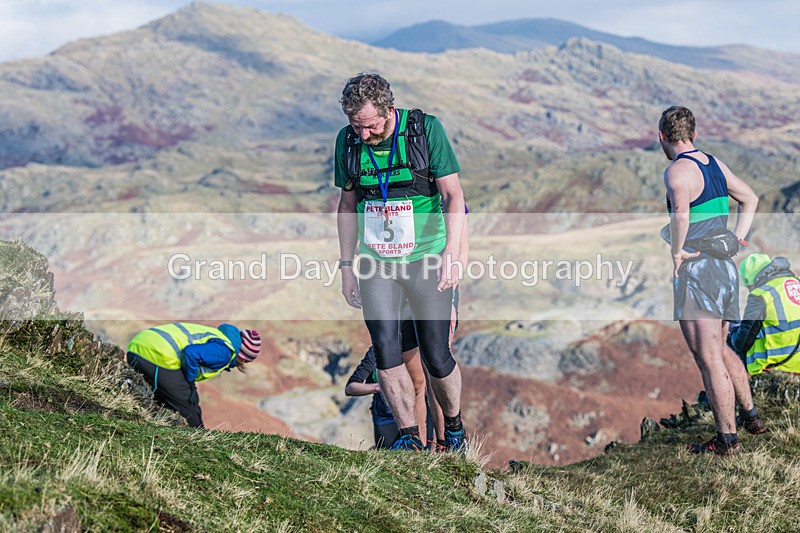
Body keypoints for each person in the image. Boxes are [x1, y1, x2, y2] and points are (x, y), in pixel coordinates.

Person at [335, 72, 467, 452]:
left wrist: (452, 256)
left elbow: (454, 196)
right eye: (355, 126)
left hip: (426, 259)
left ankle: (454, 426)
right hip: (378, 264)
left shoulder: (425, 131)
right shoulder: (347, 143)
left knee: (436, 356)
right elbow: (346, 206)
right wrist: (347, 267)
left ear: (388, 109)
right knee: (386, 350)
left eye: (370, 125)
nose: (362, 134)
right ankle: (409, 439)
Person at [659, 105, 763, 455]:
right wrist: (738, 240)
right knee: (721, 348)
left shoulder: (676, 174)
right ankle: (751, 416)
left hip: (698, 271)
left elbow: (682, 217)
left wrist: (677, 253)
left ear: (662, 137)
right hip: (724, 269)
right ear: (694, 134)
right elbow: (751, 198)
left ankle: (727, 441)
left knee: (708, 357)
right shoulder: (713, 163)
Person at [127, 322, 261, 428]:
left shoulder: (220, 337)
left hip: (137, 347)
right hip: (156, 354)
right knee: (189, 412)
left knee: (177, 399)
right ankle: (200, 444)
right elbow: (191, 353)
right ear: (243, 357)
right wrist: (189, 379)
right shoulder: (225, 351)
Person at [729, 254, 800, 378]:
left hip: (779, 364)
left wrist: (733, 330)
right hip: (797, 362)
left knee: (727, 346)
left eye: (749, 287)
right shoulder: (796, 282)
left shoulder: (760, 295)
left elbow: (741, 343)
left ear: (753, 282)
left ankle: (722, 395)